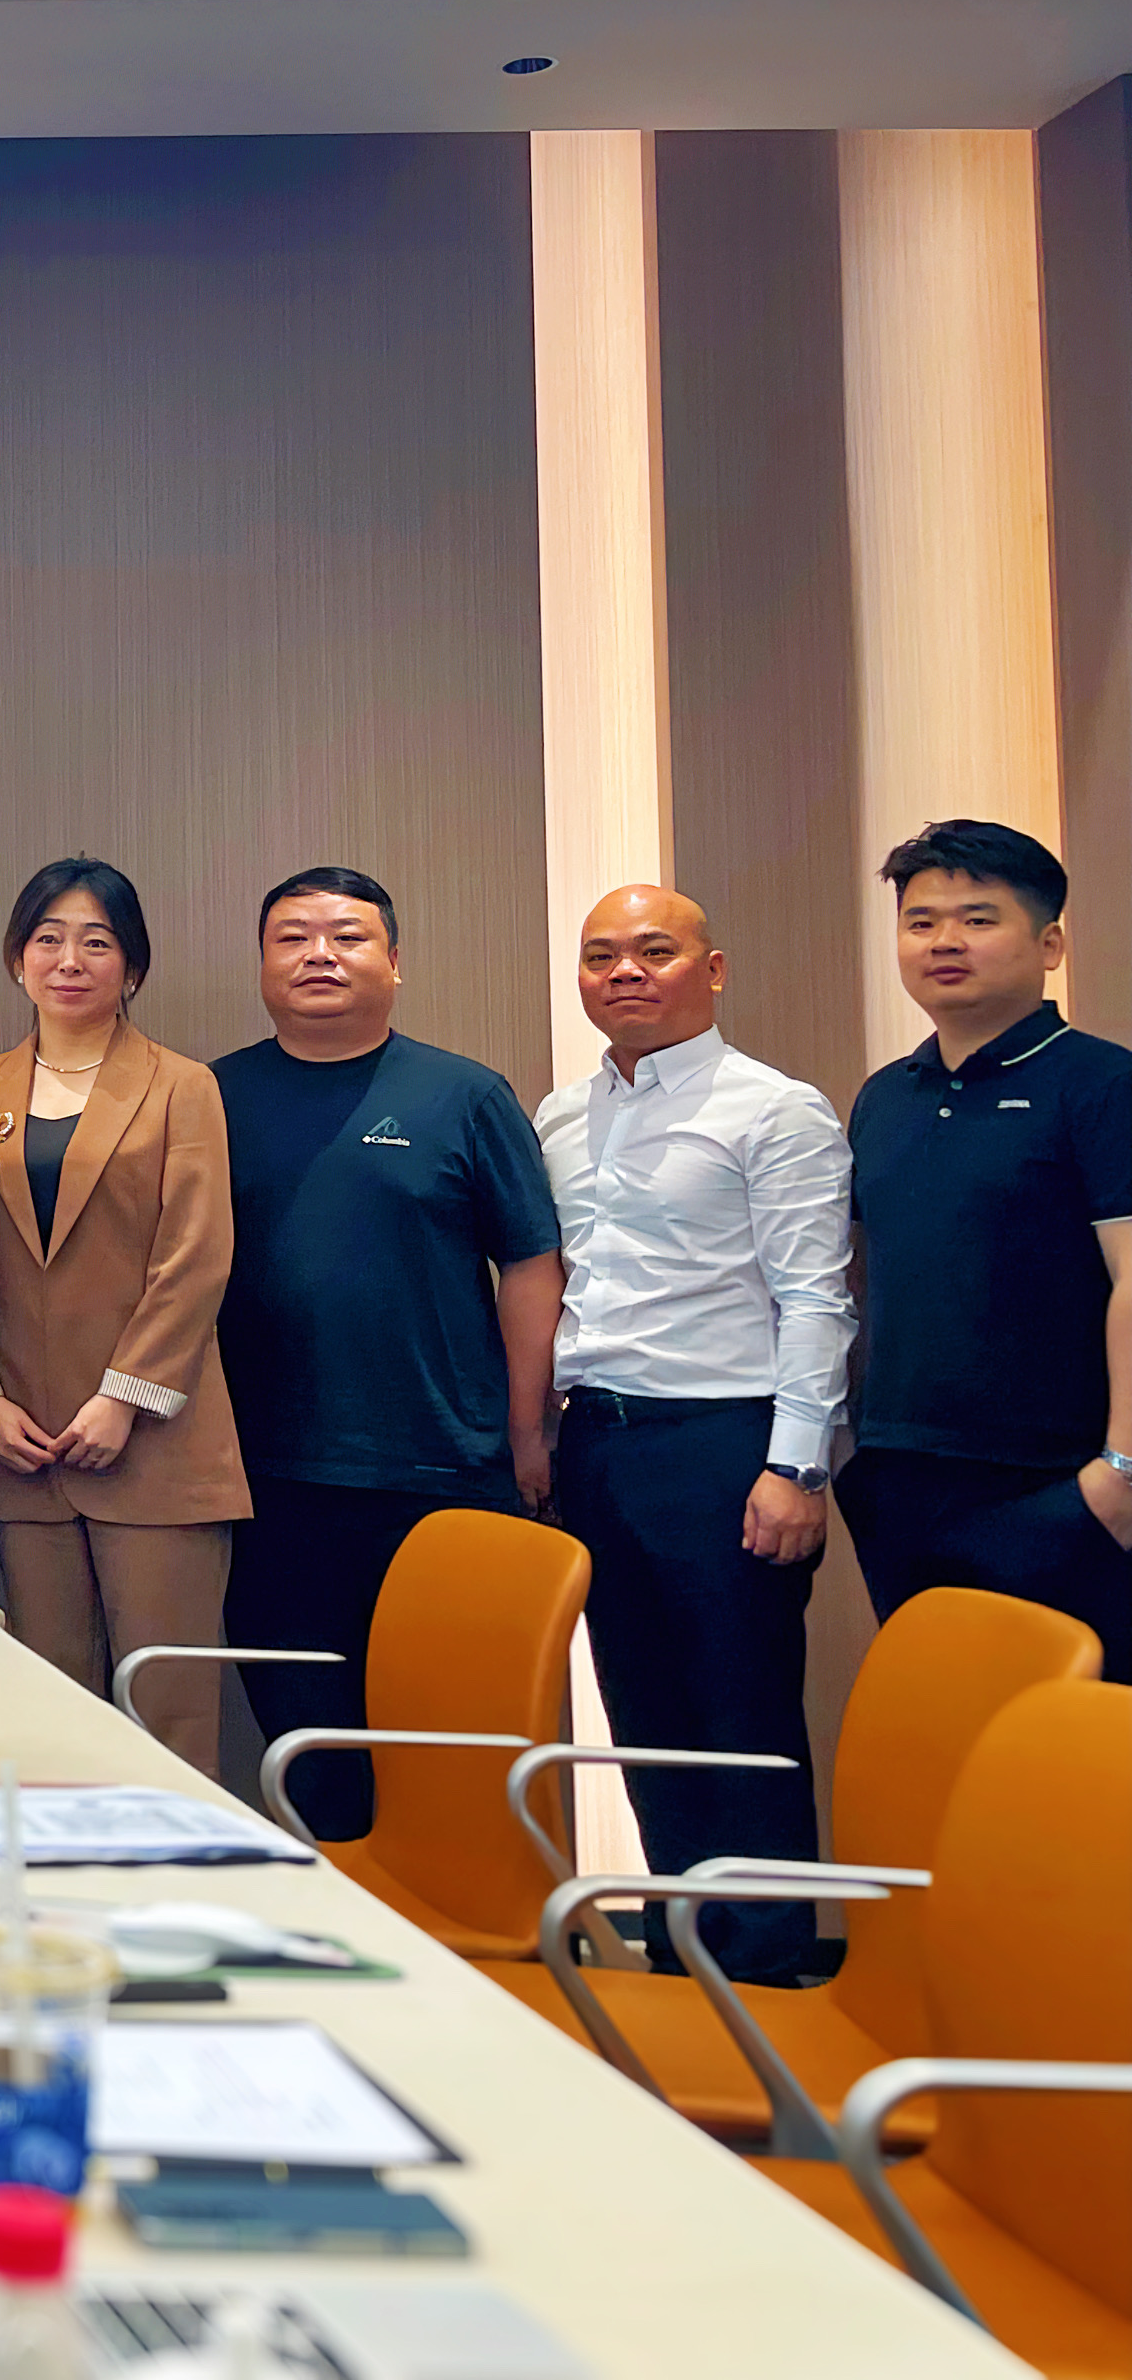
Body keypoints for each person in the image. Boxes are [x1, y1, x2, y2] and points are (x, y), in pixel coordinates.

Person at [532, 884, 851, 1978]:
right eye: (600, 955)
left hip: (725, 1446)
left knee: (740, 1710)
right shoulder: (559, 1116)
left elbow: (817, 1299)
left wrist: (795, 1465)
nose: (624, 972)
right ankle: (682, 1952)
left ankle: (765, 1967)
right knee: (643, 1710)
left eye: (653, 951)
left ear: (710, 971)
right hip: (597, 1442)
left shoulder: (775, 1109)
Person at [212, 866, 562, 1833]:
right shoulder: (211, 1096)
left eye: (348, 936)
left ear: (395, 961)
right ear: (262, 964)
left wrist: (527, 1430)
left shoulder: (465, 1095)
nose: (319, 955)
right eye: (292, 937)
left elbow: (531, 1264)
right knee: (309, 1761)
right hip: (267, 1481)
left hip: (442, 1471)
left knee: (447, 1759)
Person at [0, 859, 246, 1770]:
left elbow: (195, 1254)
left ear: (133, 966)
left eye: (97, 942)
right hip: (24, 1445)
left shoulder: (181, 1085)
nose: (69, 960)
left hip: (154, 1442)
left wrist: (124, 1398)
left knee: (168, 1706)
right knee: (49, 1707)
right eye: (48, 939)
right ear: (16, 959)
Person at [842, 820, 1132, 1670]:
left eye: (978, 918)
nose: (944, 941)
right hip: (898, 1478)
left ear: (1049, 945)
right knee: (936, 1726)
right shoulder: (884, 1097)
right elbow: (859, 1278)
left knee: (1068, 1739)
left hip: (1054, 1483)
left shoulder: (1101, 1083)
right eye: (921, 921)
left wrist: (1120, 1472)